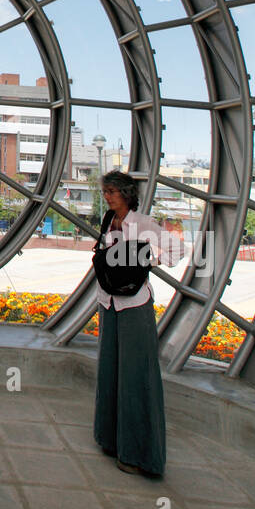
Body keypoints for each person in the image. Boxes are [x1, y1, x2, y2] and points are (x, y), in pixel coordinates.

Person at [92, 170, 181, 478]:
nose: (108, 196)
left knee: (136, 375)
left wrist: (145, 262)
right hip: (110, 302)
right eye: (106, 191)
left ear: (127, 194)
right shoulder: (108, 220)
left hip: (133, 305)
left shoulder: (142, 224)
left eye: (113, 191)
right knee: (112, 369)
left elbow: (177, 251)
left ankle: (139, 453)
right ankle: (114, 442)